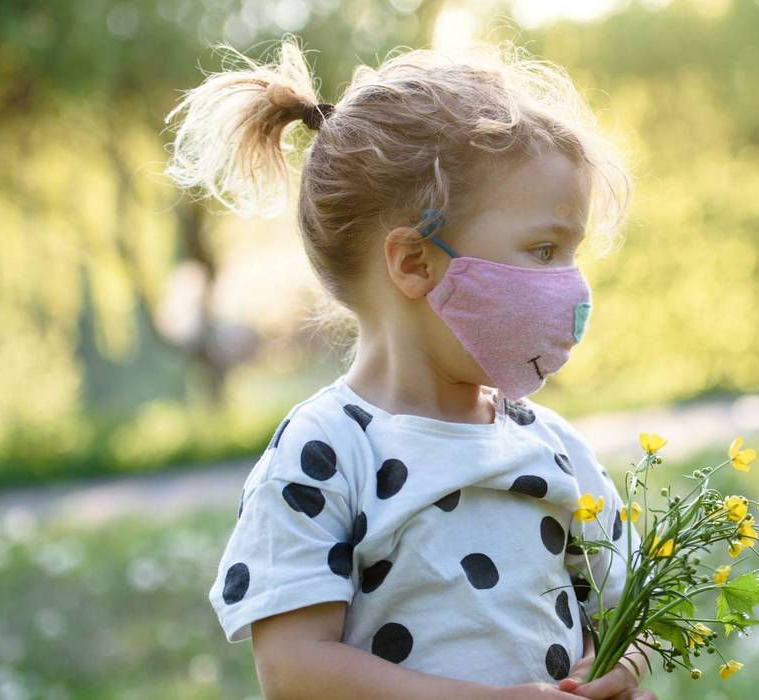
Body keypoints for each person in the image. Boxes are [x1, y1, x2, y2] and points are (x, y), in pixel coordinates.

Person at [163, 34, 657, 700]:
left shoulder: (554, 449)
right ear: (415, 263)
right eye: (543, 251)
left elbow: (632, 610)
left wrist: (614, 673)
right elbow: (292, 670)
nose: (569, 285)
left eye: (570, 254)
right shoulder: (325, 454)